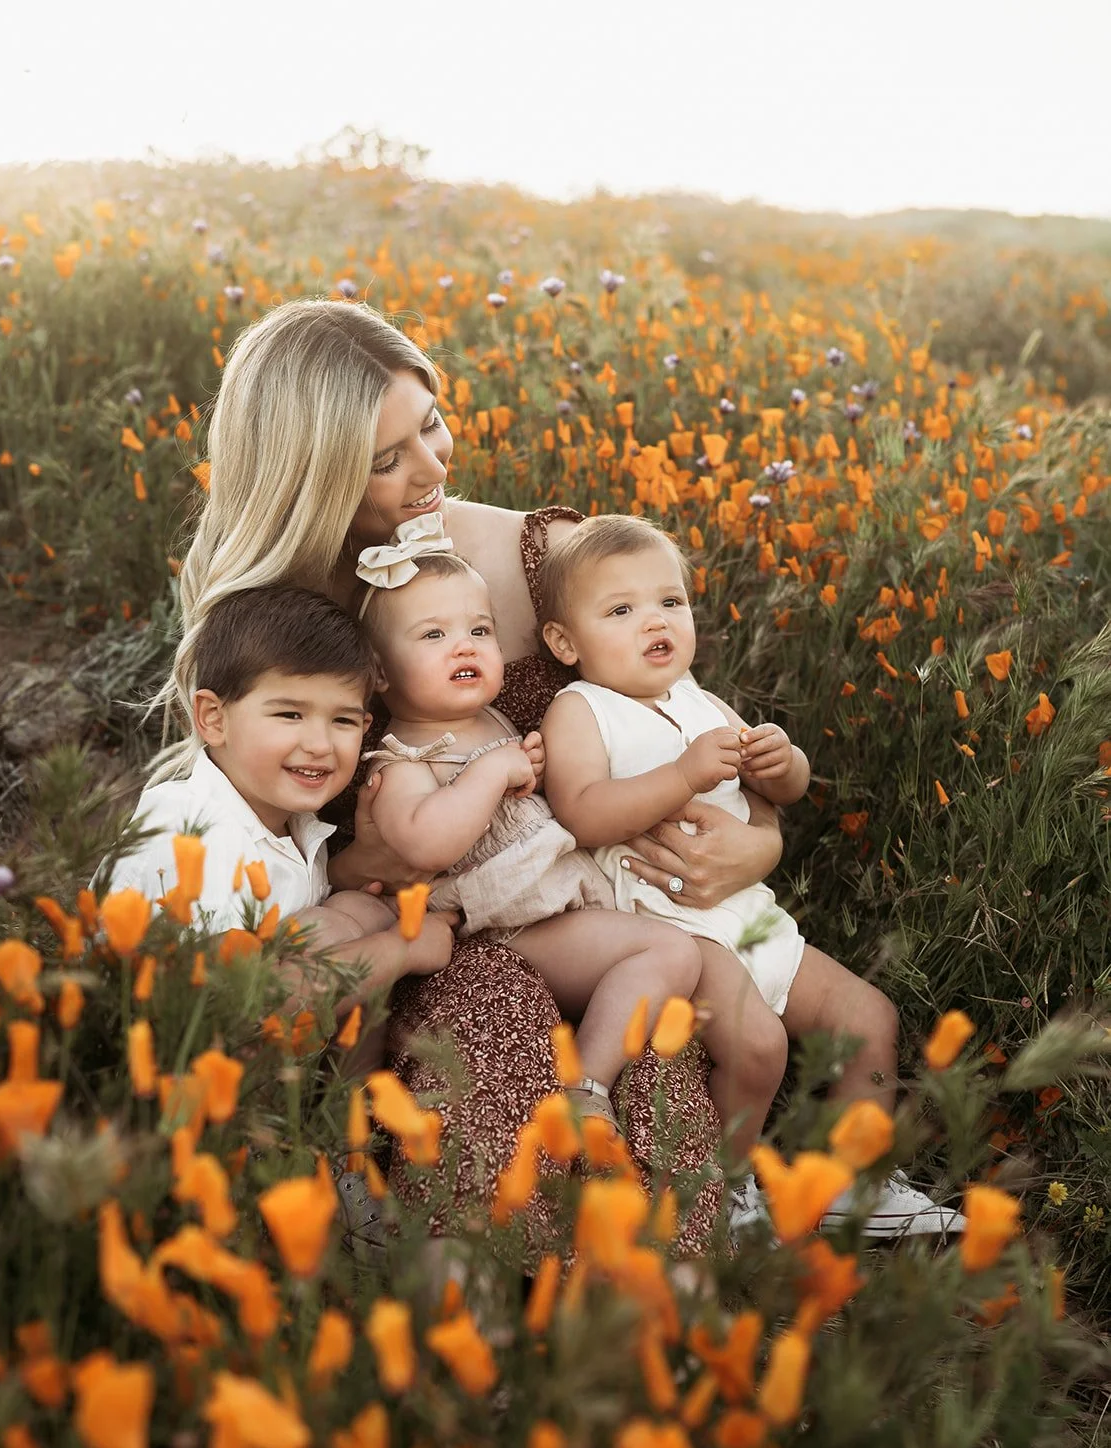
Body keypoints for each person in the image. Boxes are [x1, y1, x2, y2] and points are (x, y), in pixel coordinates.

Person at [163, 297, 810, 1255]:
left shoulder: (540, 553)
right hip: (421, 935)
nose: (430, 468)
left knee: (649, 1095)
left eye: (429, 423)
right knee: (492, 1075)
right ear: (311, 474)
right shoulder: (271, 623)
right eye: (385, 459)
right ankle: (474, 1294)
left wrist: (760, 841)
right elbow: (259, 835)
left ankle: (658, 1297)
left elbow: (682, 718)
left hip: (593, 911)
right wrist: (370, 860)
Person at [538, 515, 965, 1236]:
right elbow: (581, 813)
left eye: (669, 602)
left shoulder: (700, 700)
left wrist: (782, 759)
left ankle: (845, 1180)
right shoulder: (580, 710)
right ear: (563, 642)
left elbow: (778, 797)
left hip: (751, 915)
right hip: (666, 922)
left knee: (868, 1017)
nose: (655, 622)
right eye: (621, 610)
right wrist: (680, 774)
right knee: (758, 1046)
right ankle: (726, 1196)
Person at [355, 530, 733, 1132]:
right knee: (667, 951)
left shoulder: (498, 719)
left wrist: (523, 760)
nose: (465, 648)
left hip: (557, 906)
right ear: (378, 671)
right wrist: (491, 774)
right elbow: (423, 843)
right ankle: (586, 1085)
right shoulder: (402, 759)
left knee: (672, 953)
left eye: (480, 631)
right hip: (501, 932)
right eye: (434, 635)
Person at [105, 583, 455, 1001]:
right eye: (290, 714)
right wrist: (404, 949)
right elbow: (249, 1003)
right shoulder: (193, 833)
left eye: (342, 721)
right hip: (164, 1043)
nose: (320, 745)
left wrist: (361, 870)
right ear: (214, 719)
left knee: (359, 911)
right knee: (342, 928)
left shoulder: (291, 821)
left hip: (260, 1046)